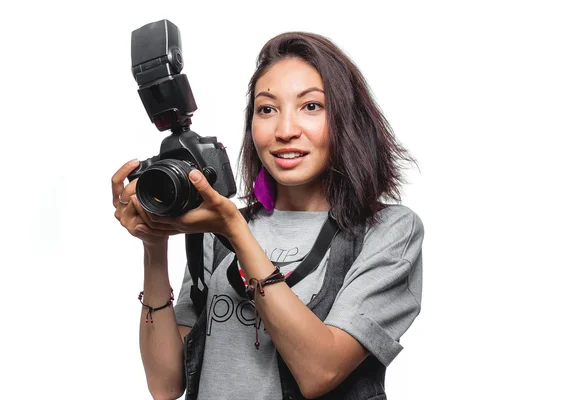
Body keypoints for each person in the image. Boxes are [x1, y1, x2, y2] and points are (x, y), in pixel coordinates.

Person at [112, 31, 424, 400]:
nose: (285, 131)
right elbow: (165, 384)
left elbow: (319, 371)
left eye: (311, 106)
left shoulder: (388, 231)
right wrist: (154, 244)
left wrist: (235, 231)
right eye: (267, 109)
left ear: (347, 120)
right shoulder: (218, 228)